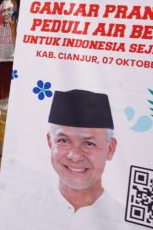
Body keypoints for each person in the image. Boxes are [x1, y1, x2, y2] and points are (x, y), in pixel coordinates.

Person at [26, 89, 121, 229]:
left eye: (89, 143)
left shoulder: (126, 223)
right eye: (63, 140)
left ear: (110, 149)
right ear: (50, 142)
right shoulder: (19, 210)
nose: (75, 156)